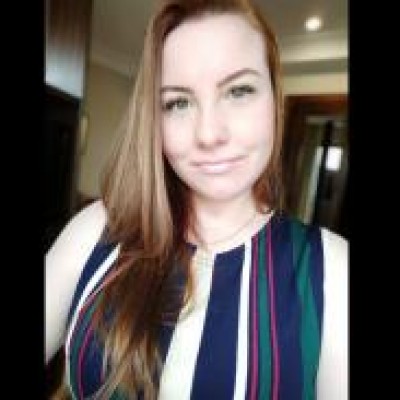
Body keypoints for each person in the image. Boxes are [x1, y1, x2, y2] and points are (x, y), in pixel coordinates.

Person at [45, 0, 348, 398]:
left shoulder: (332, 270)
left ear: (275, 100)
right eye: (178, 102)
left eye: (239, 91)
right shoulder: (97, 229)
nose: (208, 134)